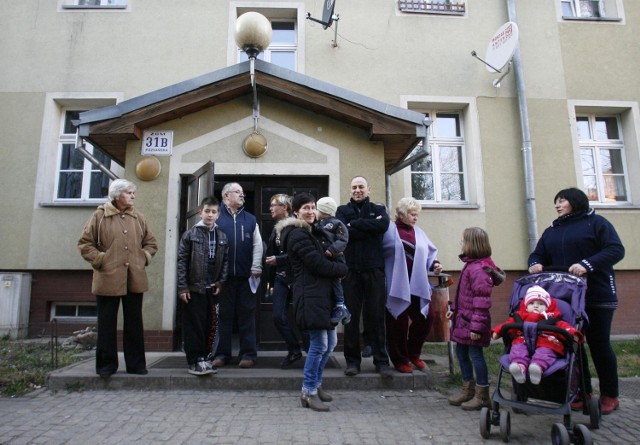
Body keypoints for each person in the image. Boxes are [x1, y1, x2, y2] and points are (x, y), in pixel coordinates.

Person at [528, 187, 625, 414]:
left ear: (575, 202)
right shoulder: (553, 230)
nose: (557, 205)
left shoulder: (597, 223)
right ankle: (582, 392)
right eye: (556, 202)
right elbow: (538, 253)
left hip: (597, 295)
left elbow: (616, 250)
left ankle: (610, 395)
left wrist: (587, 265)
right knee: (573, 346)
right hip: (566, 298)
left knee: (599, 346)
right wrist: (534, 263)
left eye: (562, 201)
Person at [77, 179, 158, 377]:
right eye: (129, 192)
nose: (133, 196)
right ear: (117, 195)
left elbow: (151, 243)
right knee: (106, 324)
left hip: (134, 277)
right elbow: (85, 243)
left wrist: (142, 258)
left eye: (133, 193)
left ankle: (136, 365)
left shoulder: (138, 217)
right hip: (107, 277)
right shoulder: (100, 216)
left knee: (134, 323)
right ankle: (106, 366)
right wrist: (100, 260)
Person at [276, 193, 348, 412]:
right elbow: (318, 264)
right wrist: (343, 269)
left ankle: (316, 385)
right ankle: (307, 392)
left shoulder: (313, 232)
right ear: (296, 211)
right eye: (305, 208)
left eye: (313, 207)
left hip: (321, 295)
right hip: (309, 295)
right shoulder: (297, 234)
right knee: (318, 346)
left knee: (330, 344)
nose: (310, 211)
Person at [336, 176, 394, 379]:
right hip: (350, 271)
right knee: (350, 318)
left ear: (368, 189)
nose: (357, 190)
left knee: (376, 316)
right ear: (350, 190)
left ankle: (381, 361)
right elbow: (344, 233)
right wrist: (368, 226)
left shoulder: (379, 210)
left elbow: (383, 226)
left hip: (374, 270)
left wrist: (356, 224)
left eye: (361, 187)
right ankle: (352, 362)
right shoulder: (342, 211)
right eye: (354, 187)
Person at [446, 227, 505, 410]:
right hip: (464, 318)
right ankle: (468, 389)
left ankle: (482, 395)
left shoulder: (479, 269)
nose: (461, 244)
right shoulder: (471, 265)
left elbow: (481, 301)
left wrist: (476, 328)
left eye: (463, 241)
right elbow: (465, 296)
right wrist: (454, 310)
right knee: (461, 353)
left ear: (472, 244)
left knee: (475, 355)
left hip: (473, 322)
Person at [382, 197, 442, 374]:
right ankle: (400, 359)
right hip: (396, 283)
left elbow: (430, 252)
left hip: (417, 283)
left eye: (417, 214)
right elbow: (379, 251)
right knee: (397, 323)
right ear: (402, 213)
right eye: (412, 214)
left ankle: (413, 353)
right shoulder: (388, 230)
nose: (415, 217)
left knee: (427, 317)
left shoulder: (419, 232)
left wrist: (435, 264)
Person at [212, 183, 263, 369]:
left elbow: (258, 245)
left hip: (246, 276)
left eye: (242, 192)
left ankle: (248, 354)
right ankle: (222, 354)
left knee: (247, 315)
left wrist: (256, 265)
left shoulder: (250, 219)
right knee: (224, 316)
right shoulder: (216, 216)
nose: (242, 195)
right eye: (238, 192)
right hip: (223, 279)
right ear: (226, 196)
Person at [177, 197, 229, 376]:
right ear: (200, 213)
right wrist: (182, 287)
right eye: (207, 211)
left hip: (211, 288)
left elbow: (225, 263)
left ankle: (205, 358)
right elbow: (182, 261)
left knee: (209, 325)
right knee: (194, 325)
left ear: (218, 215)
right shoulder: (190, 234)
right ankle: (194, 360)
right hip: (193, 288)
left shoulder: (221, 236)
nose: (210, 215)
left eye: (214, 212)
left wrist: (221, 282)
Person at [491, 285, 583, 385]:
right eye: (531, 303)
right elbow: (507, 325)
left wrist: (573, 334)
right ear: (526, 306)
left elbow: (565, 327)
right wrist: (497, 332)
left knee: (546, 352)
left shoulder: (552, 318)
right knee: (517, 349)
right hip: (523, 340)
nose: (536, 306)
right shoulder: (519, 317)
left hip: (547, 342)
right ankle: (519, 366)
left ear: (547, 307)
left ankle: (537, 367)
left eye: (540, 304)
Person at [264, 193, 303, 369]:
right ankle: (294, 349)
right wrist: (270, 283)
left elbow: (299, 253)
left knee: (304, 316)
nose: (270, 208)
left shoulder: (297, 227)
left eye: (274, 205)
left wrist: (278, 260)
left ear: (285, 207)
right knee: (278, 316)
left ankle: (315, 353)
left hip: (296, 278)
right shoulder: (276, 228)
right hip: (280, 279)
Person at [314, 196, 351, 325]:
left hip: (335, 258)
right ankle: (341, 308)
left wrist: (332, 249)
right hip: (324, 259)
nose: (314, 212)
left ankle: (340, 305)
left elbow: (343, 239)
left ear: (323, 211)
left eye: (316, 210)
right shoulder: (316, 224)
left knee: (336, 280)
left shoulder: (337, 223)